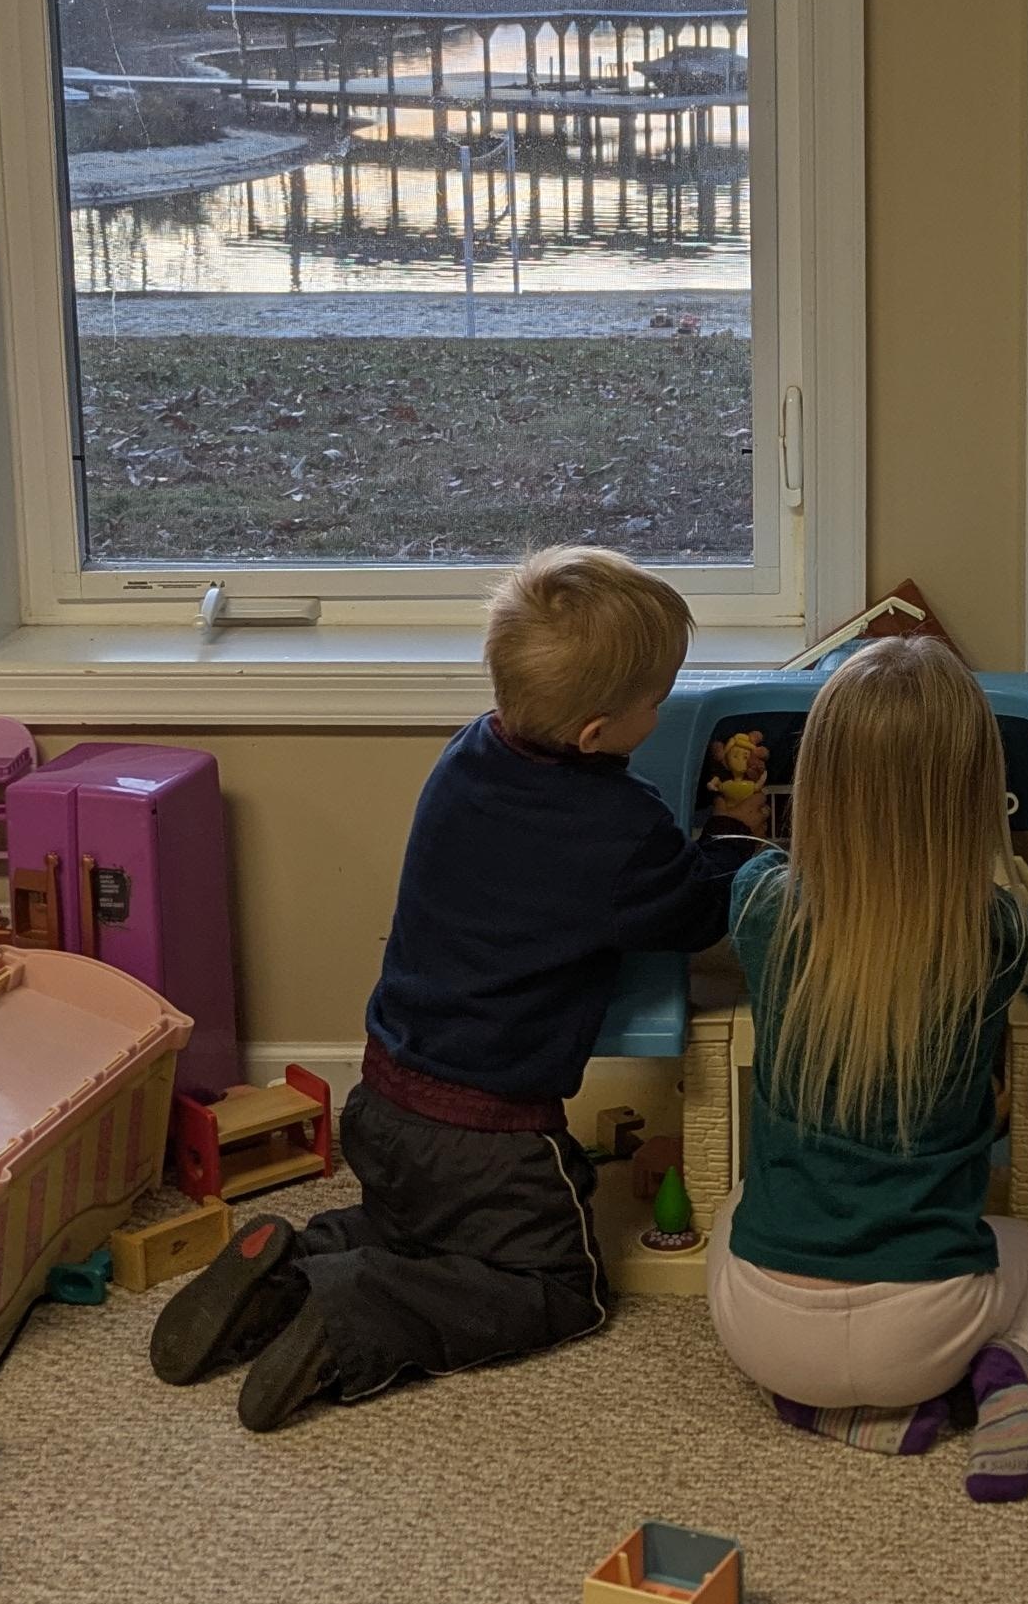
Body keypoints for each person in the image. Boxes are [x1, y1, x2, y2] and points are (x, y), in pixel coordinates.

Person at [153, 545, 766, 1430]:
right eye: (657, 699)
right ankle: (352, 1316)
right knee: (559, 1287)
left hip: (384, 1103)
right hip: (491, 1140)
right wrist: (737, 834)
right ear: (596, 735)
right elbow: (697, 910)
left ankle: (291, 1264)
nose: (664, 707)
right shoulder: (617, 830)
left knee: (425, 1235)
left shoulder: (470, 752)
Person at [706, 637, 1028, 1503]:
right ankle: (1012, 1382)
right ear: (976, 796)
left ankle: (827, 1410)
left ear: (819, 782)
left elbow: (761, 872)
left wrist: (742, 824)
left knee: (728, 1212)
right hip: (928, 1330)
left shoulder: (759, 902)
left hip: (768, 1331)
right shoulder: (998, 934)